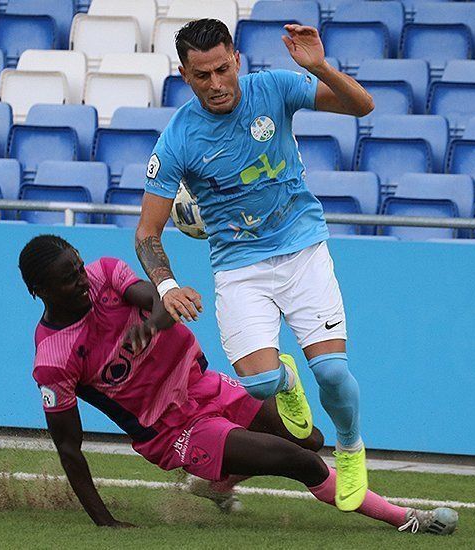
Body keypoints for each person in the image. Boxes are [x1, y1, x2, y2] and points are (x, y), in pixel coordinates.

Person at [18, 235, 458, 535]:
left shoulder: (106, 274)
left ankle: (217, 484)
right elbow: (70, 449)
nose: (81, 281)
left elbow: (162, 305)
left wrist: (150, 324)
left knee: (311, 439)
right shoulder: (53, 360)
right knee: (296, 460)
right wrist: (105, 523)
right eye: (69, 278)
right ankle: (406, 518)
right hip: (175, 432)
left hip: (204, 385)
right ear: (39, 290)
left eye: (79, 268)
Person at [135, 18, 374, 511]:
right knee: (261, 384)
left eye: (223, 69)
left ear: (237, 61)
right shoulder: (177, 140)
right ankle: (285, 380)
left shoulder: (276, 89)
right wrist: (167, 286)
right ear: (185, 74)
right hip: (240, 266)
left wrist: (320, 67)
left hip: (303, 249)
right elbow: (147, 234)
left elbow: (361, 106)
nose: (216, 84)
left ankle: (350, 449)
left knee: (331, 373)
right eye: (202, 76)